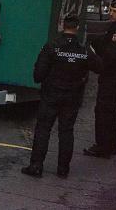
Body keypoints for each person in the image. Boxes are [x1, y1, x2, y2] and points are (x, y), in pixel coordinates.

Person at [21, 14, 101, 178]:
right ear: (77, 28)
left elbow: (38, 75)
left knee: (43, 129)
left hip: (51, 94)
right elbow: (99, 67)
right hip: (72, 96)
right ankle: (63, 169)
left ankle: (36, 166)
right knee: (66, 131)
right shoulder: (84, 49)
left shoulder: (51, 46)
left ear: (62, 26)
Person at [84, 0, 116, 158]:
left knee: (103, 110)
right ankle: (110, 142)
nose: (111, 14)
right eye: (111, 11)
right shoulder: (115, 26)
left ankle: (104, 145)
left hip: (112, 75)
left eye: (115, 11)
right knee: (109, 110)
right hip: (114, 74)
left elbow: (111, 54)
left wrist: (96, 60)